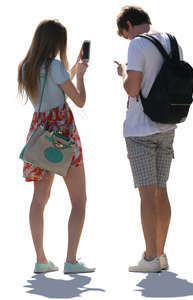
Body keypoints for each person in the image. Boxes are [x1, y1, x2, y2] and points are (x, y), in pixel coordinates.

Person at [18, 19, 95, 274]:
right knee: (79, 201)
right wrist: (81, 76)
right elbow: (79, 100)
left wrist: (71, 70)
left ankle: (41, 259)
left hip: (40, 136)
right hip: (63, 135)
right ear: (57, 42)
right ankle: (71, 261)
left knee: (39, 200)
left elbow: (51, 88)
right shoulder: (55, 65)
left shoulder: (26, 67)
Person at [115, 6, 183, 273]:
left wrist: (122, 74)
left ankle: (150, 256)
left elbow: (133, 89)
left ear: (128, 26)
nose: (127, 40)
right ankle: (161, 254)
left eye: (125, 34)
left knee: (146, 194)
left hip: (141, 129)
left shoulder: (137, 45)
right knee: (162, 190)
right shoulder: (172, 41)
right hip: (168, 125)